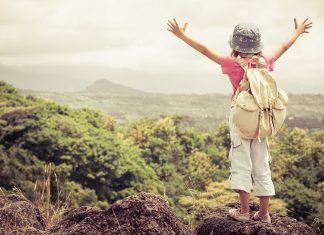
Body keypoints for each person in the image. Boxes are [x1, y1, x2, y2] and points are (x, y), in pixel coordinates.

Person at [166, 18, 312, 223]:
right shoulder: (265, 62)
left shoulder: (232, 63)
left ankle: (243, 211)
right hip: (262, 118)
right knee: (261, 163)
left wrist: (181, 35)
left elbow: (204, 50)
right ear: (257, 45)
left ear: (235, 45)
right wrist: (297, 31)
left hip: (241, 117)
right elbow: (284, 47)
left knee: (241, 162)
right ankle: (263, 214)